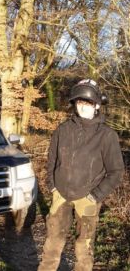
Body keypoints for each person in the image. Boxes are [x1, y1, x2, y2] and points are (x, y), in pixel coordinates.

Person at [38, 79, 125, 271]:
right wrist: (52, 185)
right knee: (52, 244)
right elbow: (52, 159)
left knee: (83, 247)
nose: (82, 107)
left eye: (87, 103)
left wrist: (95, 195)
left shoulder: (106, 136)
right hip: (60, 194)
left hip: (88, 198)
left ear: (97, 106)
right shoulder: (63, 130)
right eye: (79, 103)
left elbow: (116, 171)